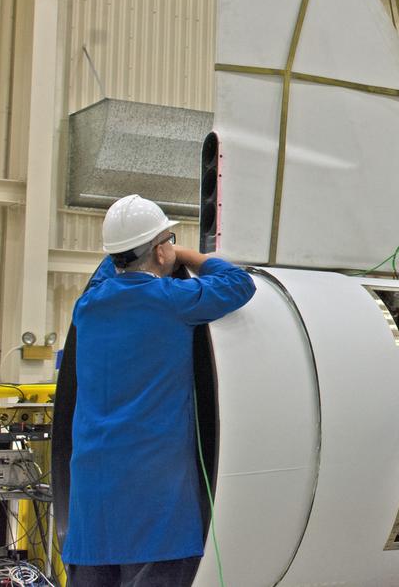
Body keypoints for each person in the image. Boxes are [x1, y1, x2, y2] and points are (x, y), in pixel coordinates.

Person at [63, 194, 256, 587]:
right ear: (159, 250)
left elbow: (109, 268)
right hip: (153, 503)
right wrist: (186, 255)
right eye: (168, 240)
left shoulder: (87, 306)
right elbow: (239, 284)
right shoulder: (173, 302)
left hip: (92, 504)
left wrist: (157, 246)